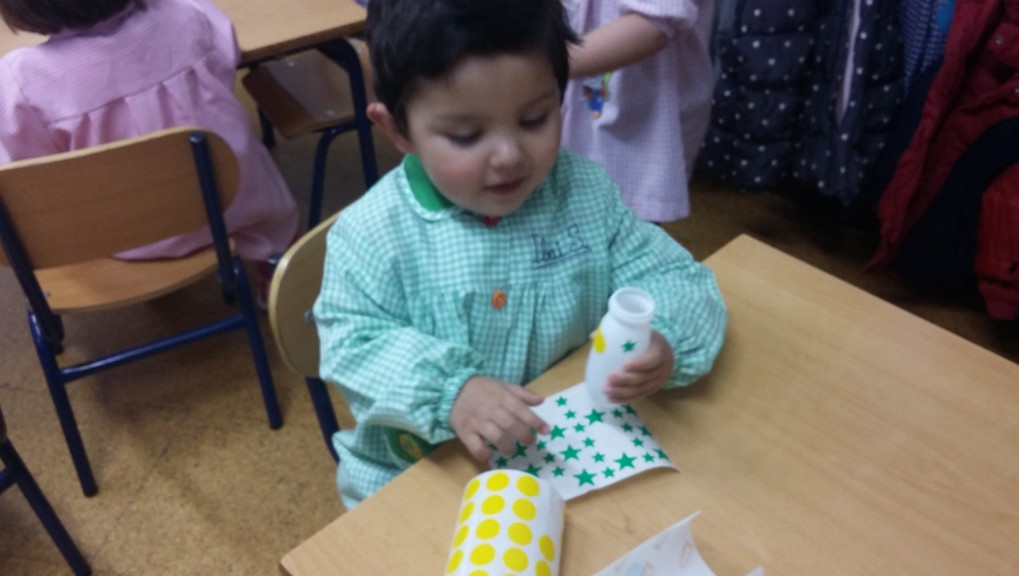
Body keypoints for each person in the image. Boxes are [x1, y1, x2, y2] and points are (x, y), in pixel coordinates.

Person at [313, 0, 727, 508]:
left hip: (561, 457)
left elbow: (674, 277)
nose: (510, 156)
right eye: (466, 135)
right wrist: (451, 391)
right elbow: (352, 342)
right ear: (398, 131)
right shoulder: (374, 234)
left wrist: (664, 337)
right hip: (418, 475)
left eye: (535, 119)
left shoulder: (586, 196)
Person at [0, 0, 299, 291]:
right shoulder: (189, 13)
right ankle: (278, 271)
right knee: (258, 184)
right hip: (233, 202)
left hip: (127, 237)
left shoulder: (20, 79)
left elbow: (26, 167)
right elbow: (226, 62)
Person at [560, 0, 715, 223]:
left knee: (621, 224)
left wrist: (542, 64)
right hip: (567, 113)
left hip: (637, 133)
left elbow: (654, 24)